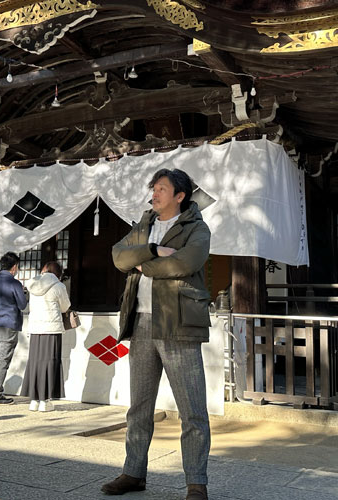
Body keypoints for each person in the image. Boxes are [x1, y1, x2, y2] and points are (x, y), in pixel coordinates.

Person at [102, 169, 212, 500]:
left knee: (192, 408)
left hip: (178, 322)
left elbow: (185, 264)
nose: (155, 193)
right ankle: (133, 472)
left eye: (162, 188)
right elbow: (118, 256)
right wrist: (152, 250)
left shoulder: (197, 228)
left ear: (180, 196)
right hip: (142, 323)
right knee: (139, 406)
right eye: (154, 187)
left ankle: (196, 481)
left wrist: (141, 263)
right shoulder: (144, 225)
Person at [21, 261, 70, 412]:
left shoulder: (33, 284)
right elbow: (65, 306)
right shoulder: (59, 286)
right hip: (51, 328)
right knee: (50, 362)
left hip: (36, 328)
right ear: (58, 273)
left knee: (35, 362)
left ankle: (34, 400)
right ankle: (45, 400)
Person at [0, 251, 28, 404]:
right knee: (4, 360)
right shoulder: (14, 283)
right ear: (14, 267)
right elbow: (22, 305)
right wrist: (24, 293)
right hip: (8, 324)